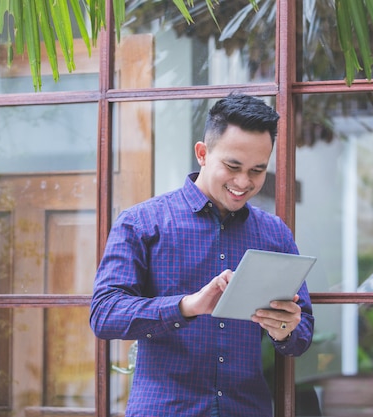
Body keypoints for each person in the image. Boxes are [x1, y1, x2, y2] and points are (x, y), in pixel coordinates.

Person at [90, 93, 314, 417]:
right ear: (202, 153)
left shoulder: (275, 233)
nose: (243, 182)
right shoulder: (141, 223)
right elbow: (104, 314)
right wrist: (187, 306)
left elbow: (302, 330)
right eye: (232, 166)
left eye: (257, 170)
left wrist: (286, 330)